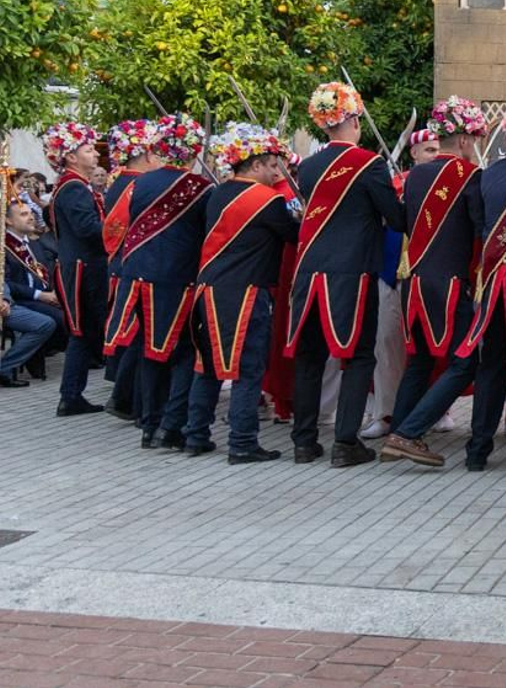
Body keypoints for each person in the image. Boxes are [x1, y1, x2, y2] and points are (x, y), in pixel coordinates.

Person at [286, 81, 406, 467]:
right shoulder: (370, 164)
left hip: (309, 270)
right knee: (357, 356)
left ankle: (304, 442)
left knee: (310, 357)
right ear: (353, 120)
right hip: (351, 271)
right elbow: (395, 218)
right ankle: (345, 443)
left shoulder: (308, 167)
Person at [381, 97, 489, 464]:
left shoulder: (415, 176)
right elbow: (481, 230)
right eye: (474, 140)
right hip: (449, 284)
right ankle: (409, 434)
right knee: (464, 362)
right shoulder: (471, 176)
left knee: (421, 361)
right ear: (464, 139)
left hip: (414, 281)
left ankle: (397, 434)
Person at [185, 124, 300, 462]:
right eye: (272, 165)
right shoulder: (267, 199)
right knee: (248, 367)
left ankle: (196, 434)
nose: (277, 172)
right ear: (255, 164)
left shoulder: (218, 193)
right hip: (246, 292)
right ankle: (243, 442)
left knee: (207, 366)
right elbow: (293, 234)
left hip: (208, 288)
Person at [105, 113, 213, 449]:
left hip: (137, 275)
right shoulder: (201, 188)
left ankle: (149, 425)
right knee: (184, 352)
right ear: (194, 149)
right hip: (176, 279)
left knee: (152, 351)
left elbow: (119, 226)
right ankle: (171, 425)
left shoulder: (139, 183)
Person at [361, 129, 439, 440]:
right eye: (429, 150)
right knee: (387, 345)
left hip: (431, 276)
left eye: (437, 149)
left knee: (432, 346)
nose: (434, 155)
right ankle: (385, 413)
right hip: (392, 276)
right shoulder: (394, 184)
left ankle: (435, 411)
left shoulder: (445, 184)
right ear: (414, 153)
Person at [41, 120, 107, 416]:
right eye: (89, 149)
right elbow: (89, 229)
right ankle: (72, 395)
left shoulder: (73, 185)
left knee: (84, 333)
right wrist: (120, 227)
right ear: (70, 156)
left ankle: (71, 395)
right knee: (86, 331)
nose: (96, 154)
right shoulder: (74, 188)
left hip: (79, 266)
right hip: (84, 268)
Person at [102, 119, 161, 417]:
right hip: (134, 267)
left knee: (136, 335)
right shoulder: (136, 184)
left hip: (124, 265)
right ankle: (125, 398)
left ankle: (125, 397)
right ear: (147, 154)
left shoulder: (122, 181)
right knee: (138, 335)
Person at [3, 197, 63, 386]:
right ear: (8, 220)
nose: (31, 217)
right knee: (58, 320)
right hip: (20, 299)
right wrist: (40, 295)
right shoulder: (5, 247)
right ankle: (30, 357)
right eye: (23, 214)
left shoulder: (34, 243)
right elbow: (7, 283)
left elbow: (48, 272)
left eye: (30, 213)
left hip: (43, 296)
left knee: (75, 314)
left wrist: (55, 293)